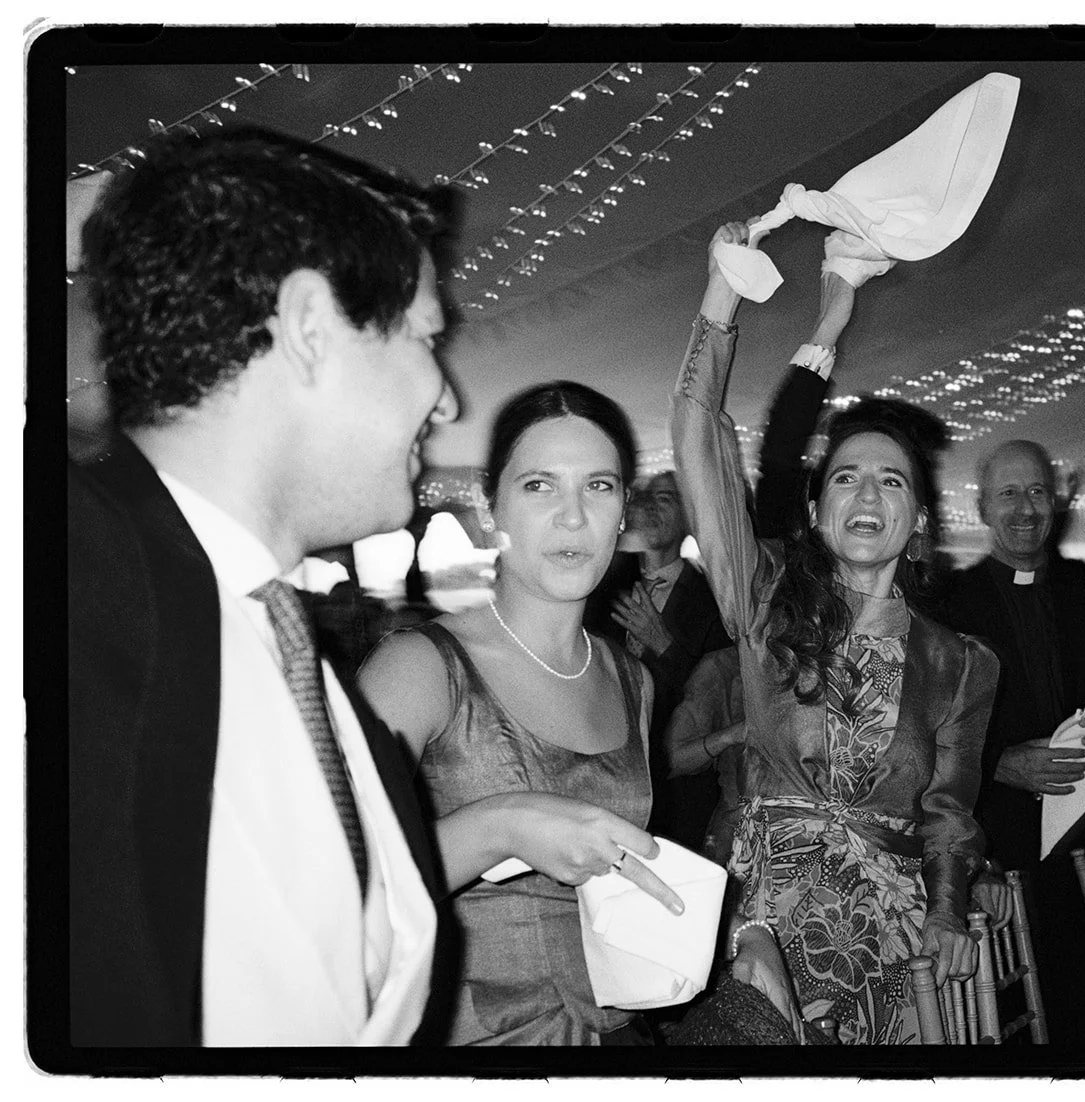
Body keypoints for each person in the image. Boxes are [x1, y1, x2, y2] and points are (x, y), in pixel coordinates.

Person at [67, 127, 458, 1045]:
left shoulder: (291, 648)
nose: (448, 402)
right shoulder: (69, 594)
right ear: (313, 328)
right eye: (426, 338)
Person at [671, 222, 998, 1044]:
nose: (867, 492)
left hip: (894, 947)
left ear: (917, 521)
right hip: (761, 925)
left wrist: (953, 911)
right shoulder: (764, 603)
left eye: (892, 480)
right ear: (818, 514)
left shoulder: (961, 665)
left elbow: (949, 815)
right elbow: (698, 434)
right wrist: (722, 295)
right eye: (846, 476)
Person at [359, 382, 684, 1046]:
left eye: (599, 487)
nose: (573, 517)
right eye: (540, 486)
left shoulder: (633, 682)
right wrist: (498, 826)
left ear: (624, 509)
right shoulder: (421, 668)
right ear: (492, 505)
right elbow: (327, 884)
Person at [939, 439, 1085, 1045]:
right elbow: (920, 737)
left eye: (1036, 492)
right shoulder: (949, 607)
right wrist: (1000, 762)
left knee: (1081, 1015)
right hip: (995, 855)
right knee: (1003, 1026)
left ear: (1055, 504)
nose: (1025, 508)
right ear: (981, 508)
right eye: (1008, 494)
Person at [585, 470, 732, 846]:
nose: (650, 506)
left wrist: (663, 644)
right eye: (646, 497)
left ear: (689, 519)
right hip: (604, 772)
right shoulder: (601, 583)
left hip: (675, 789)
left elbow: (723, 703)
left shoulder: (714, 600)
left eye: (666, 498)